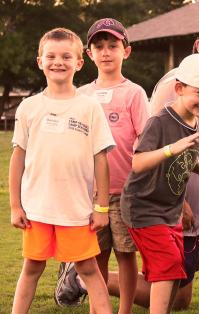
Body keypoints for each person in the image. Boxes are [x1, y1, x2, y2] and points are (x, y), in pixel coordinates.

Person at [94, 18, 199, 310]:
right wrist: (181, 206)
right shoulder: (176, 88)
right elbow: (149, 146)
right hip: (167, 207)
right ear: (198, 45)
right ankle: (86, 277)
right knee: (174, 289)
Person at [10, 27, 114, 313]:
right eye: (51, 56)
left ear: (79, 63)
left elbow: (101, 160)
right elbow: (18, 158)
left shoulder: (89, 107)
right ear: (40, 61)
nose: (59, 61)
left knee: (88, 269)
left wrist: (101, 208)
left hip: (77, 210)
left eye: (66, 56)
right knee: (31, 267)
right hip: (37, 209)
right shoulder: (28, 107)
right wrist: (15, 205)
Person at [54, 18, 149, 313]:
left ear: (126, 51)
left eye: (113, 45)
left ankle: (124, 310)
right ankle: (99, 308)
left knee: (125, 254)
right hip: (90, 194)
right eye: (99, 46)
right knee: (97, 256)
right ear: (89, 54)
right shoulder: (80, 94)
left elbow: (145, 142)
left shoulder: (134, 93)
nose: (106, 52)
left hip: (125, 191)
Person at [119, 53, 199, 313]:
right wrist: (170, 149)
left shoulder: (196, 122)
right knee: (167, 267)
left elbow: (184, 156)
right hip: (144, 207)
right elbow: (138, 163)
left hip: (170, 211)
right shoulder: (160, 122)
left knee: (177, 269)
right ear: (179, 88)